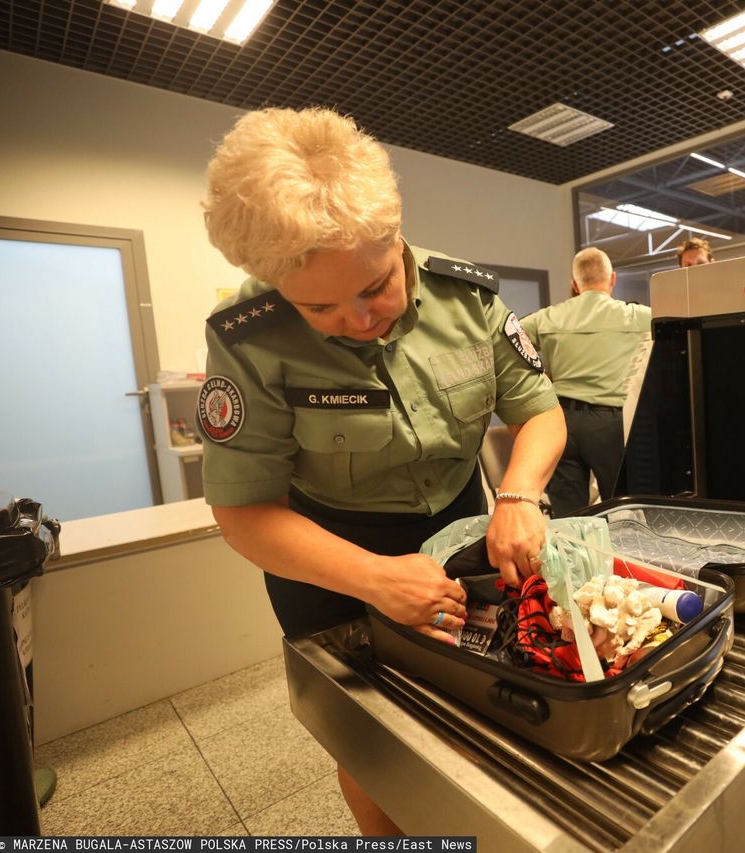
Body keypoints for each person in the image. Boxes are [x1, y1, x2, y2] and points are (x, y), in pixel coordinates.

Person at [198, 107, 564, 835]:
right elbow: (245, 513)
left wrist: (519, 493)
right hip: (327, 549)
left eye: (376, 285)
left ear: (394, 236)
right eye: (320, 307)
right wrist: (373, 577)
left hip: (460, 523)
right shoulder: (250, 336)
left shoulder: (469, 298)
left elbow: (540, 413)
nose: (361, 317)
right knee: (373, 744)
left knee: (479, 708)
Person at [519, 248, 651, 516]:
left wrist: (540, 380)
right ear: (612, 279)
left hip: (560, 421)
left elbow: (509, 341)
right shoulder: (636, 316)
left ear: (574, 284)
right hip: (610, 424)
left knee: (569, 516)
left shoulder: (548, 317)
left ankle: (576, 558)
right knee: (623, 509)